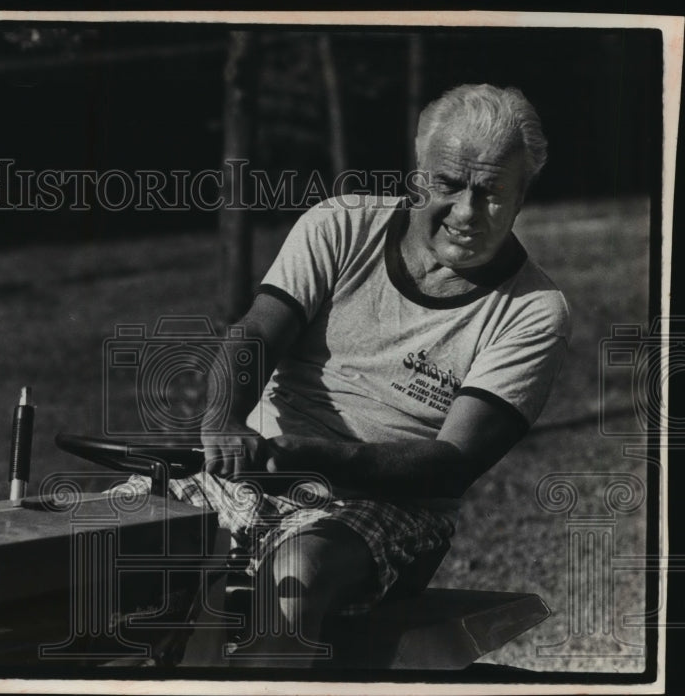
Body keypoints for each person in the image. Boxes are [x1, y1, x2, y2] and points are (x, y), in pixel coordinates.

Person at [118, 83, 570, 665]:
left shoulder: (533, 309)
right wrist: (225, 418)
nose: (465, 212)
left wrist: (312, 456)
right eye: (448, 184)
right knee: (98, 536)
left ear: (521, 196)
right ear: (416, 175)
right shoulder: (341, 225)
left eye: (489, 193)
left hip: (387, 506)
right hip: (253, 472)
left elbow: (452, 463)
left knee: (294, 577)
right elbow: (256, 333)